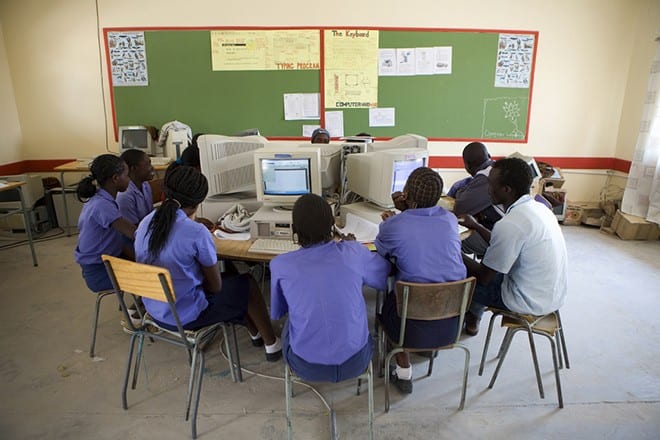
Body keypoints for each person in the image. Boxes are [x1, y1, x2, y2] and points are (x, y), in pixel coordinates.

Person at [133, 165, 281, 361]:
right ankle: (272, 344)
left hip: (155, 310)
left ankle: (255, 334)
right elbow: (215, 286)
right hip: (185, 316)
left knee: (233, 279)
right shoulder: (195, 232)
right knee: (247, 284)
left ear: (164, 194)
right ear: (198, 203)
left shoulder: (145, 223)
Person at [269, 193, 390, 381]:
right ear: (333, 224)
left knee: (289, 325)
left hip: (306, 367)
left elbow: (278, 312)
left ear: (295, 229)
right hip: (356, 362)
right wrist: (354, 248)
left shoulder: (280, 265)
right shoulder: (353, 253)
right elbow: (382, 277)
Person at [375, 167, 466, 394]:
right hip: (451, 324)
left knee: (387, 298)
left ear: (406, 193)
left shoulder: (395, 225)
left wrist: (394, 220)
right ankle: (427, 349)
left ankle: (403, 372)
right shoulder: (450, 220)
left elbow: (382, 250)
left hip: (408, 326)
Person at [461, 157, 568, 336]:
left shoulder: (511, 224)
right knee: (492, 266)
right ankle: (472, 319)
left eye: (491, 184)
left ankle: (451, 327)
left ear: (506, 190)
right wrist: (477, 227)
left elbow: (483, 276)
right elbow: (503, 243)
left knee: (461, 279)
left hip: (526, 301)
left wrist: (452, 252)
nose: (488, 189)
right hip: (552, 296)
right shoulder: (539, 209)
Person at [74, 154, 137, 293]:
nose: (129, 179)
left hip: (107, 260)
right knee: (152, 277)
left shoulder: (101, 198)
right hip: (98, 272)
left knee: (148, 261)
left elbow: (120, 238)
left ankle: (142, 306)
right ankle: (137, 310)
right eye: (127, 176)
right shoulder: (102, 205)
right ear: (115, 179)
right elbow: (133, 233)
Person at [450, 142, 504, 256]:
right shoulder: (495, 168)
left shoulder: (486, 177)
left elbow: (460, 208)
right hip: (507, 233)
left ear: (468, 165)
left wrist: (461, 192)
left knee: (449, 237)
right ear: (489, 155)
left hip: (501, 240)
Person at [117, 149, 155, 226]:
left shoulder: (145, 185)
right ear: (133, 168)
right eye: (148, 164)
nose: (152, 168)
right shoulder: (124, 195)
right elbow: (133, 230)